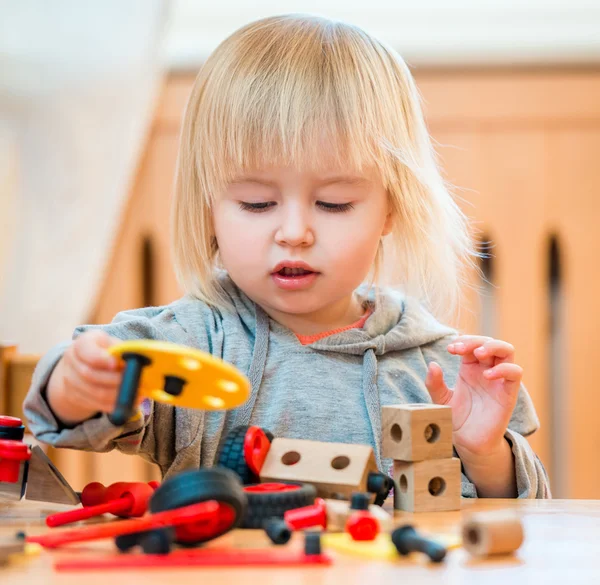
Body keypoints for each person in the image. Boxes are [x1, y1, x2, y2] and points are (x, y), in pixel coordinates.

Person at [23, 14, 550, 498]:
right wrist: (76, 384)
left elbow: (523, 516)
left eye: (333, 203)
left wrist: (485, 455)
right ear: (209, 209)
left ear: (391, 208)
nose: (294, 233)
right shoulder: (194, 341)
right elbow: (66, 416)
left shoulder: (433, 362)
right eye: (257, 203)